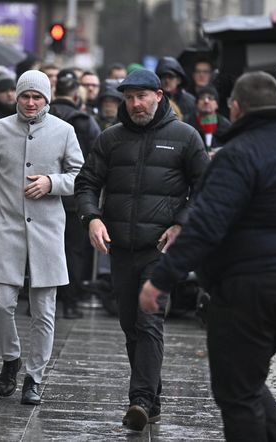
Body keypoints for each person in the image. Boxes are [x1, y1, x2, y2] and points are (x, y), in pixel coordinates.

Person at [139, 72, 276, 441]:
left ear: (236, 107)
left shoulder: (238, 154)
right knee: (248, 379)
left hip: (250, 286)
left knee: (237, 392)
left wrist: (160, 280)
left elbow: (205, 225)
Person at [74, 68, 208, 431]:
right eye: (129, 97)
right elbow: (86, 183)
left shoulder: (185, 137)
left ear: (159, 96)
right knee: (131, 325)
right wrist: (93, 218)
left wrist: (182, 222)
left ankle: (140, 400)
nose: (135, 103)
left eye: (142, 96)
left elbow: (206, 186)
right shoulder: (111, 138)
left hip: (160, 250)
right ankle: (153, 397)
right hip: (121, 248)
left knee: (149, 320)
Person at [0, 70, 84, 405]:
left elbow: (81, 177)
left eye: (37, 97)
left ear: (47, 99)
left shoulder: (64, 131)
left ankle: (35, 377)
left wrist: (51, 183)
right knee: (0, 303)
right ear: (16, 97)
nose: (30, 102)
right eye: (25, 96)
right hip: (7, 227)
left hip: (47, 230)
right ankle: (11, 358)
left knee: (43, 309)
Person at [49, 69, 101, 319]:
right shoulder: (84, 121)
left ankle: (36, 301)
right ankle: (70, 302)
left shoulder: (43, 116)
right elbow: (97, 158)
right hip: (75, 196)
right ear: (75, 93)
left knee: (43, 249)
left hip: (44, 192)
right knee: (74, 251)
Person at [184, 84, 231, 155]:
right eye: (202, 98)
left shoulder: (226, 127)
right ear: (196, 103)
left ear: (217, 104)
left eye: (210, 98)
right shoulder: (186, 124)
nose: (206, 101)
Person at [156, 56, 196, 122]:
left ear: (179, 80)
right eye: (164, 77)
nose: (167, 81)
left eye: (170, 77)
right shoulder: (155, 100)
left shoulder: (190, 101)